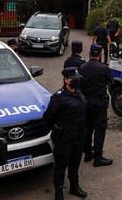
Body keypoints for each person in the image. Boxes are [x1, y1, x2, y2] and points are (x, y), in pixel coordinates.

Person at [43, 67, 88, 200]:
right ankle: (59, 192)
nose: (77, 81)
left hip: (78, 136)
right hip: (64, 139)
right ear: (66, 80)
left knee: (75, 163)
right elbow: (48, 117)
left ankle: (74, 186)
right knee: (61, 166)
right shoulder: (58, 97)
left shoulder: (79, 92)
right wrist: (58, 130)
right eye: (74, 79)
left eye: (78, 79)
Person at [78, 44, 113, 167]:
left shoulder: (82, 67)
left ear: (90, 53)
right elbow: (110, 81)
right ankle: (98, 157)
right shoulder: (103, 68)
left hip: (86, 102)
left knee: (88, 128)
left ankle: (87, 154)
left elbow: (79, 83)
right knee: (100, 129)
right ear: (100, 55)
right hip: (99, 103)